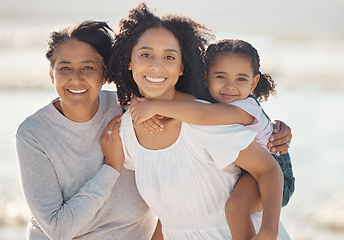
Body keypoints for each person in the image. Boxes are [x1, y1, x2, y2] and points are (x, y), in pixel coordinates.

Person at [108, 3, 291, 239]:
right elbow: (171, 217)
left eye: (169, 56)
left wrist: (269, 230)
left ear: (182, 66)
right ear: (128, 61)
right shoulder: (126, 131)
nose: (157, 64)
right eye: (145, 54)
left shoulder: (206, 121)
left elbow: (269, 168)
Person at [15, 21, 159, 240]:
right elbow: (58, 230)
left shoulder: (130, 112)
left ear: (104, 74)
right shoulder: (33, 135)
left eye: (88, 67)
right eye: (65, 68)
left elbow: (173, 189)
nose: (76, 78)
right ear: (52, 74)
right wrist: (111, 167)